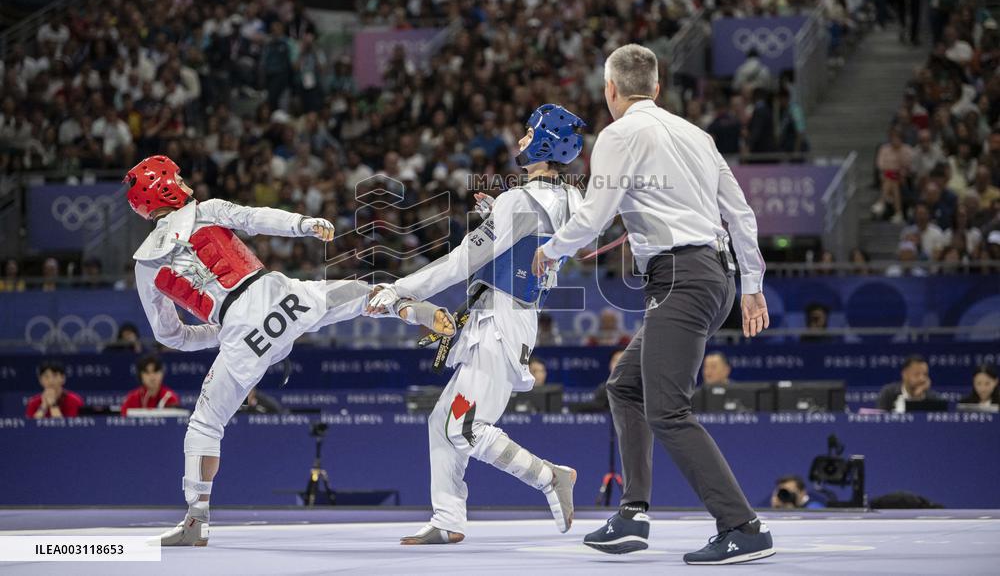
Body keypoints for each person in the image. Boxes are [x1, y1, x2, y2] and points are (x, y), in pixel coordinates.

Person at [123, 154, 454, 546]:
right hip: (277, 297)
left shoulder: (145, 266)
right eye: (178, 177)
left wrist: (220, 332)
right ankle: (403, 306)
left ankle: (196, 521)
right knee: (356, 294)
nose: (186, 182)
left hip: (241, 336)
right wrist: (304, 225)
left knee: (204, 425)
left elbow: (170, 336)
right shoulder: (204, 210)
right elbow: (255, 217)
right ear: (164, 185)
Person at [533, 45, 774, 565]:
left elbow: (597, 213)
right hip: (714, 277)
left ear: (610, 91)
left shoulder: (619, 134)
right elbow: (741, 213)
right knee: (625, 387)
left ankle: (742, 526)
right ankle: (633, 514)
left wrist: (549, 250)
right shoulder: (697, 135)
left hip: (681, 278)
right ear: (658, 88)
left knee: (668, 408)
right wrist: (752, 284)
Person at [368, 104, 585, 546]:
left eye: (528, 133)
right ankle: (448, 518)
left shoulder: (518, 202)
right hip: (514, 317)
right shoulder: (572, 200)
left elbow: (459, 262)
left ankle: (550, 476)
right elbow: (539, 241)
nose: (521, 139)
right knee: (441, 422)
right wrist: (499, 222)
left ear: (545, 144)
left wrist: (400, 289)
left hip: (499, 322)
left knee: (462, 428)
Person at [877, 355, 942, 412]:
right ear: (904, 374)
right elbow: (881, 422)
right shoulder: (888, 393)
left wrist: (917, 397)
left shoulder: (934, 399)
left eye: (925, 374)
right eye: (917, 374)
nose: (922, 379)